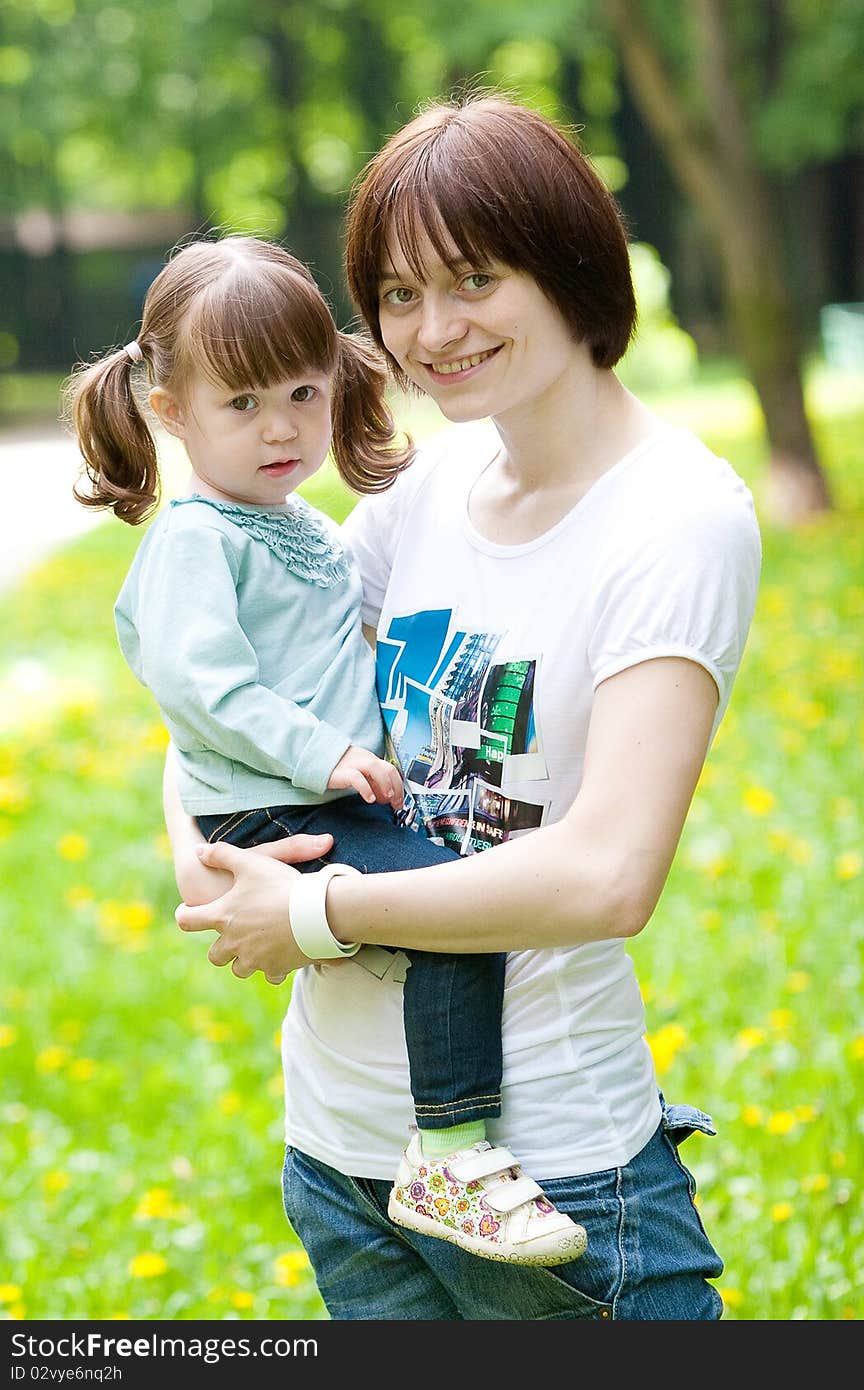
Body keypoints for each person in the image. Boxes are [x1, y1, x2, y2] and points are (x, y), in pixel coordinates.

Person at [165, 96, 762, 1321]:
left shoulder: (675, 519)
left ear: (569, 262)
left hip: (555, 1178)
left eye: (473, 278)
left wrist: (317, 912)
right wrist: (215, 861)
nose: (431, 330)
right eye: (394, 294)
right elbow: (225, 704)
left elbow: (606, 877)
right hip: (339, 1155)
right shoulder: (416, 496)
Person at [67, 233, 587, 1269]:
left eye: (304, 395)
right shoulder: (194, 539)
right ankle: (449, 1147)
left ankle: (446, 1142)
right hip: (275, 803)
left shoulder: (290, 519)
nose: (281, 429)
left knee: (450, 897)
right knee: (454, 912)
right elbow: (201, 688)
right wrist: (322, 753)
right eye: (244, 405)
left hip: (312, 790)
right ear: (169, 411)